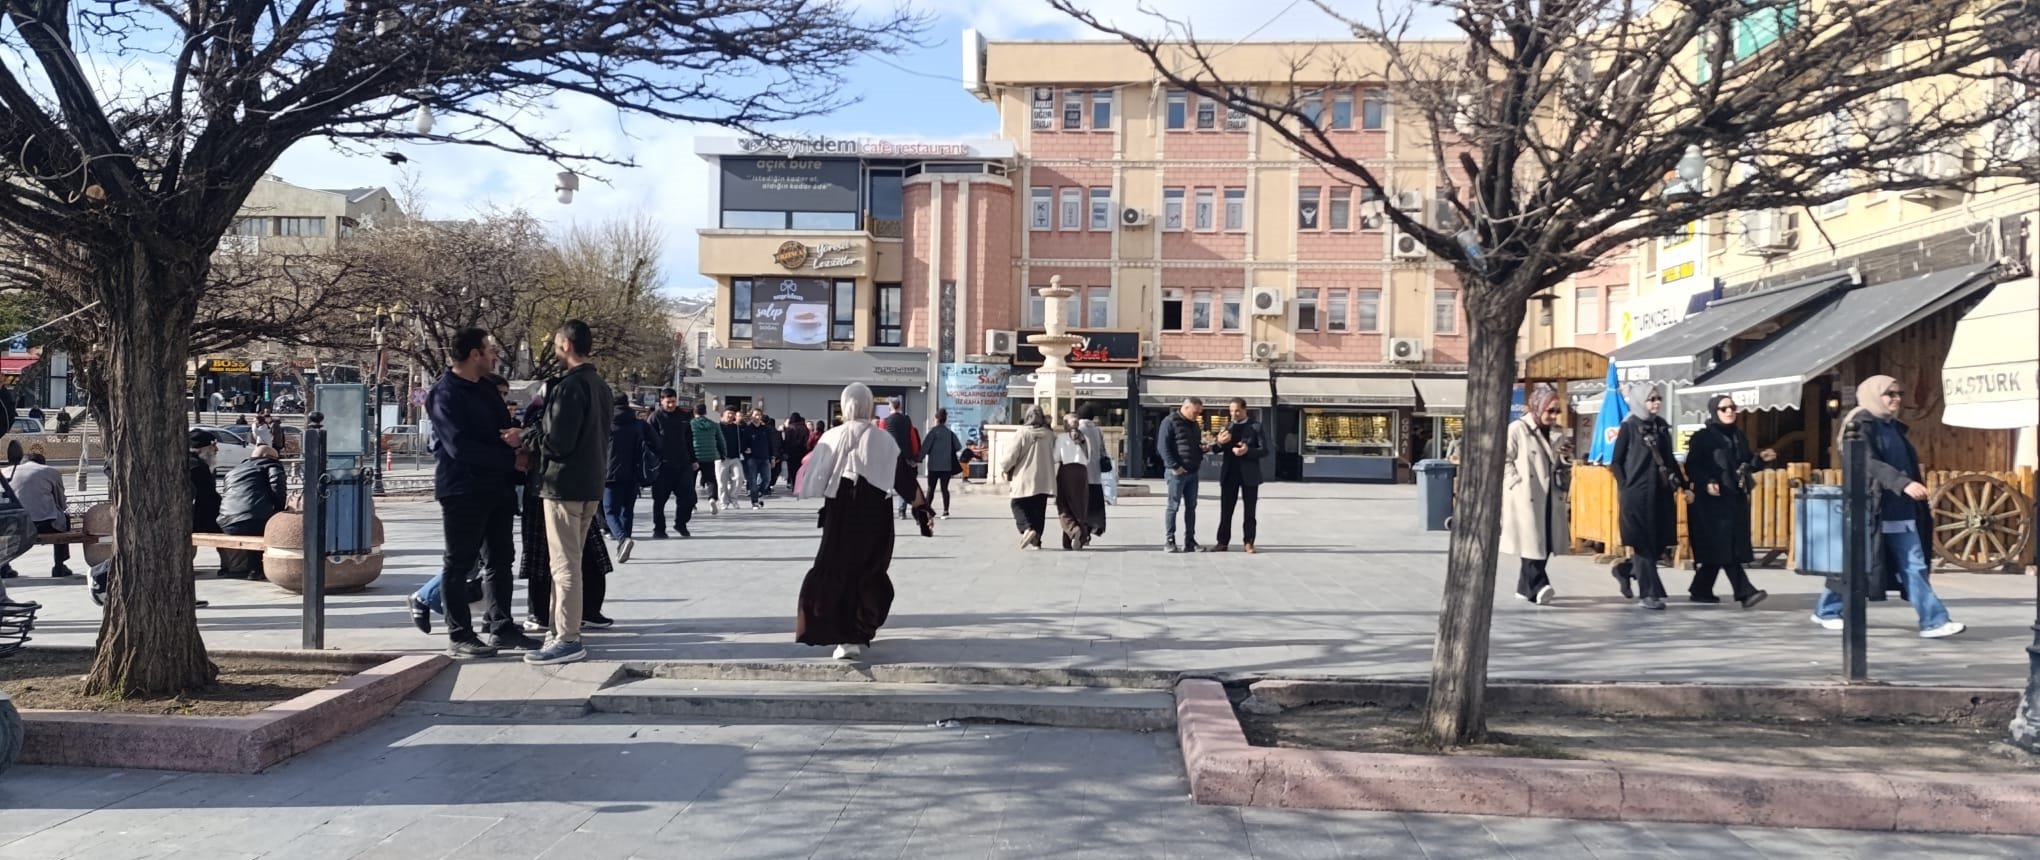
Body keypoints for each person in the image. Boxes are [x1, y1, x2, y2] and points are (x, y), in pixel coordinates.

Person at [1811, 375, 1965, 638]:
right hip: (1872, 508)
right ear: (1873, 395)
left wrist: (1907, 488)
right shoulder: (1859, 424)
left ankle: (1934, 621)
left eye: (1899, 394)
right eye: (1889, 394)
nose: (1896, 399)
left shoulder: (1892, 426)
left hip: (1900, 509)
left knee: (1912, 565)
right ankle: (1827, 609)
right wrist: (1902, 483)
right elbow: (1866, 461)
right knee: (1856, 563)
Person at [423, 329, 539, 658]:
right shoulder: (444, 393)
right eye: (489, 350)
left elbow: (503, 431)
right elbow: (459, 446)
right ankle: (460, 633)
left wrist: (517, 445)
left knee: (501, 560)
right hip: (462, 489)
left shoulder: (488, 389)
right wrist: (509, 457)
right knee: (459, 562)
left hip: (497, 486)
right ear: (474, 354)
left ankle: (501, 626)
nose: (494, 355)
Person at [796, 383, 933, 660]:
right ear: (869, 405)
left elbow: (815, 477)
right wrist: (922, 509)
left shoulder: (831, 437)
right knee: (868, 569)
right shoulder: (883, 439)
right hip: (874, 513)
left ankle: (840, 636)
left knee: (835, 566)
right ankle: (856, 632)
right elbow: (903, 478)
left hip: (840, 511)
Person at [523, 320, 613, 665]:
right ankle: (557, 631)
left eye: (556, 344)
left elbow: (558, 443)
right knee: (568, 563)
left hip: (564, 485)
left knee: (563, 566)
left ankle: (567, 638)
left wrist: (526, 438)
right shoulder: (601, 386)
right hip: (589, 484)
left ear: (565, 344)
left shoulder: (569, 387)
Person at [1684, 395, 1768, 608]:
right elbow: (1693, 466)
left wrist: (1760, 459)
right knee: (1724, 545)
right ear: (1714, 412)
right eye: (1724, 409)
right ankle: (1745, 592)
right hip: (1711, 501)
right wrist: (1706, 482)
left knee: (1721, 546)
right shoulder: (1703, 438)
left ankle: (1701, 589)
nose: (1730, 411)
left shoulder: (1738, 435)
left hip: (1735, 497)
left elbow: (1745, 462)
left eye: (1732, 408)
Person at [1610, 382, 1686, 611]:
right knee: (1642, 543)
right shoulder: (1629, 426)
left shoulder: (1662, 427)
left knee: (1656, 545)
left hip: (1660, 494)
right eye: (1651, 399)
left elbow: (1669, 459)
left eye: (1658, 398)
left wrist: (1684, 485)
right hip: (1636, 495)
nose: (1656, 403)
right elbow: (1616, 461)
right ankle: (1649, 593)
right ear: (1640, 401)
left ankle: (1625, 570)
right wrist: (1626, 486)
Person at [1502, 386, 1571, 605]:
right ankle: (1540, 584)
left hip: (1550, 493)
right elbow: (1503, 458)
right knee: (1532, 540)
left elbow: (1558, 463)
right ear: (1537, 407)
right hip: (1527, 495)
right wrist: (1516, 482)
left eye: (1556, 411)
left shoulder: (1558, 432)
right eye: (1549, 410)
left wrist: (1564, 458)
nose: (1553, 416)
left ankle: (1525, 588)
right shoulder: (1518, 429)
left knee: (1547, 541)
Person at [215, 445, 286, 580]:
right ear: (268, 457)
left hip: (226, 521)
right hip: (253, 520)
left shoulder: (234, 470)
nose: (279, 460)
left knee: (252, 523)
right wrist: (279, 512)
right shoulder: (272, 465)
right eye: (277, 457)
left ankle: (243, 568)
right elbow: (278, 489)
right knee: (265, 527)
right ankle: (258, 570)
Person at [1208, 397, 1268, 553]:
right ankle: (1222, 542)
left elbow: (1265, 450)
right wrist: (1220, 442)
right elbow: (1215, 450)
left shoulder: (1256, 426)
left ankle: (1249, 542)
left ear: (1244, 410)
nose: (1234, 414)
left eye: (1237, 411)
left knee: (1250, 511)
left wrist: (1247, 451)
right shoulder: (1227, 426)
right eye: (1231, 411)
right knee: (1226, 510)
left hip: (1249, 475)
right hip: (1230, 474)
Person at [604, 394, 652, 563]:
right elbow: (657, 443)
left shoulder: (606, 423)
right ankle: (624, 543)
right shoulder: (638, 424)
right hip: (633, 473)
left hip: (610, 474)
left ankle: (623, 539)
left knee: (610, 511)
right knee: (627, 510)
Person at [8, 452, 71, 578]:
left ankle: (4, 568)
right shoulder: (50, 472)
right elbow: (61, 504)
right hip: (43, 524)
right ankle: (59, 566)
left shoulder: (6, 471)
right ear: (42, 463)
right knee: (65, 519)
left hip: (12, 525)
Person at [1156, 397, 1206, 553]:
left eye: (1199, 413)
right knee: (1173, 506)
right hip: (1176, 473)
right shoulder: (1169, 421)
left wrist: (1202, 449)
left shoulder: (1195, 424)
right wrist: (1174, 466)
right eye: (1195, 412)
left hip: (1192, 471)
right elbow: (1162, 447)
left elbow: (1193, 445)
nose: (1197, 415)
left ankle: (1189, 540)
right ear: (1185, 408)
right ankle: (1170, 540)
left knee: (1191, 507)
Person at [1003, 406, 1056, 549]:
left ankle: (1027, 528)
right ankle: (1037, 540)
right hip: (1045, 479)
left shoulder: (1022, 433)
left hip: (1024, 477)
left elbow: (1011, 455)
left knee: (1017, 504)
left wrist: (1004, 467)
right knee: (1039, 509)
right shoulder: (1050, 434)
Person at [647, 389, 696, 538]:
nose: (671, 404)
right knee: (660, 499)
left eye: (673, 401)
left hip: (683, 464)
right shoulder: (655, 417)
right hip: (663, 465)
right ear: (661, 401)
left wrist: (693, 459)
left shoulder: (684, 416)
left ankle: (681, 523)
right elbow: (647, 441)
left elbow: (689, 440)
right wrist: (653, 461)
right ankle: (659, 529)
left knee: (689, 497)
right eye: (668, 402)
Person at [1053, 413, 1092, 550]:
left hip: (1066, 472)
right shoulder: (1085, 438)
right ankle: (1072, 540)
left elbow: (1055, 457)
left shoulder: (1062, 438)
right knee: (1079, 506)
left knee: (1063, 505)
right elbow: (1089, 458)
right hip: (1082, 473)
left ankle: (1074, 530)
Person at [189, 429, 225, 574]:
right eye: (213, 446)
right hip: (196, 516)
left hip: (198, 514)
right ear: (202, 448)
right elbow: (207, 496)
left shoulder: (197, 464)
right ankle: (234, 566)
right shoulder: (197, 467)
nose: (216, 449)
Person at [920, 408, 965, 519]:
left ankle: (928, 510)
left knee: (931, 489)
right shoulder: (950, 433)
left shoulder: (932, 432)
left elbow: (925, 448)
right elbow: (958, 446)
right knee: (945, 489)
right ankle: (945, 511)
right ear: (945, 420)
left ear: (936, 419)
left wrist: (918, 459)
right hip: (946, 466)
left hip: (933, 466)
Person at [882, 398, 918, 519]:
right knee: (903, 482)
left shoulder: (885, 421)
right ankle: (902, 511)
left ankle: (885, 510)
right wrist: (914, 454)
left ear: (890, 406)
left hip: (890, 456)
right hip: (905, 456)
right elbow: (912, 438)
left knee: (887, 484)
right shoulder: (907, 420)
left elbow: (881, 440)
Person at [1076, 405, 1108, 539]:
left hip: (1081, 473)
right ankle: (1090, 530)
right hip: (1095, 474)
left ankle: (1082, 532)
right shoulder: (1097, 430)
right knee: (1092, 505)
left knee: (1081, 506)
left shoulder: (1078, 429)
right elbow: (1102, 450)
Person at [689, 403, 725, 515]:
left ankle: (693, 504)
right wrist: (723, 453)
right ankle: (712, 499)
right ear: (705, 412)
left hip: (693, 456)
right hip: (710, 456)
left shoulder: (690, 424)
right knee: (711, 480)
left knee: (690, 482)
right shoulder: (714, 424)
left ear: (694, 412)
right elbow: (721, 440)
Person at [741, 407, 776, 509]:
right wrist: (746, 449)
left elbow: (770, 444)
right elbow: (742, 444)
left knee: (767, 478)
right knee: (752, 480)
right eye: (755, 415)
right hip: (752, 459)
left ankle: (760, 492)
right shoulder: (747, 429)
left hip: (765, 457)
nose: (757, 417)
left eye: (759, 415)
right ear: (751, 416)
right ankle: (754, 501)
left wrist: (772, 457)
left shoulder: (766, 429)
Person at [715, 406, 744, 510]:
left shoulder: (736, 427)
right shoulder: (717, 427)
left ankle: (733, 498)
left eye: (733, 414)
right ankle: (723, 502)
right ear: (723, 414)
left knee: (739, 478)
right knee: (722, 482)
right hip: (721, 458)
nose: (731, 416)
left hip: (735, 457)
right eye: (729, 413)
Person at [781, 413, 812, 492]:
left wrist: (785, 451)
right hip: (802, 451)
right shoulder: (805, 428)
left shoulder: (790, 428)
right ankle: (801, 485)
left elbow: (787, 441)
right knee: (801, 469)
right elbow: (807, 440)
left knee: (792, 470)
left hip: (792, 451)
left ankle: (794, 485)